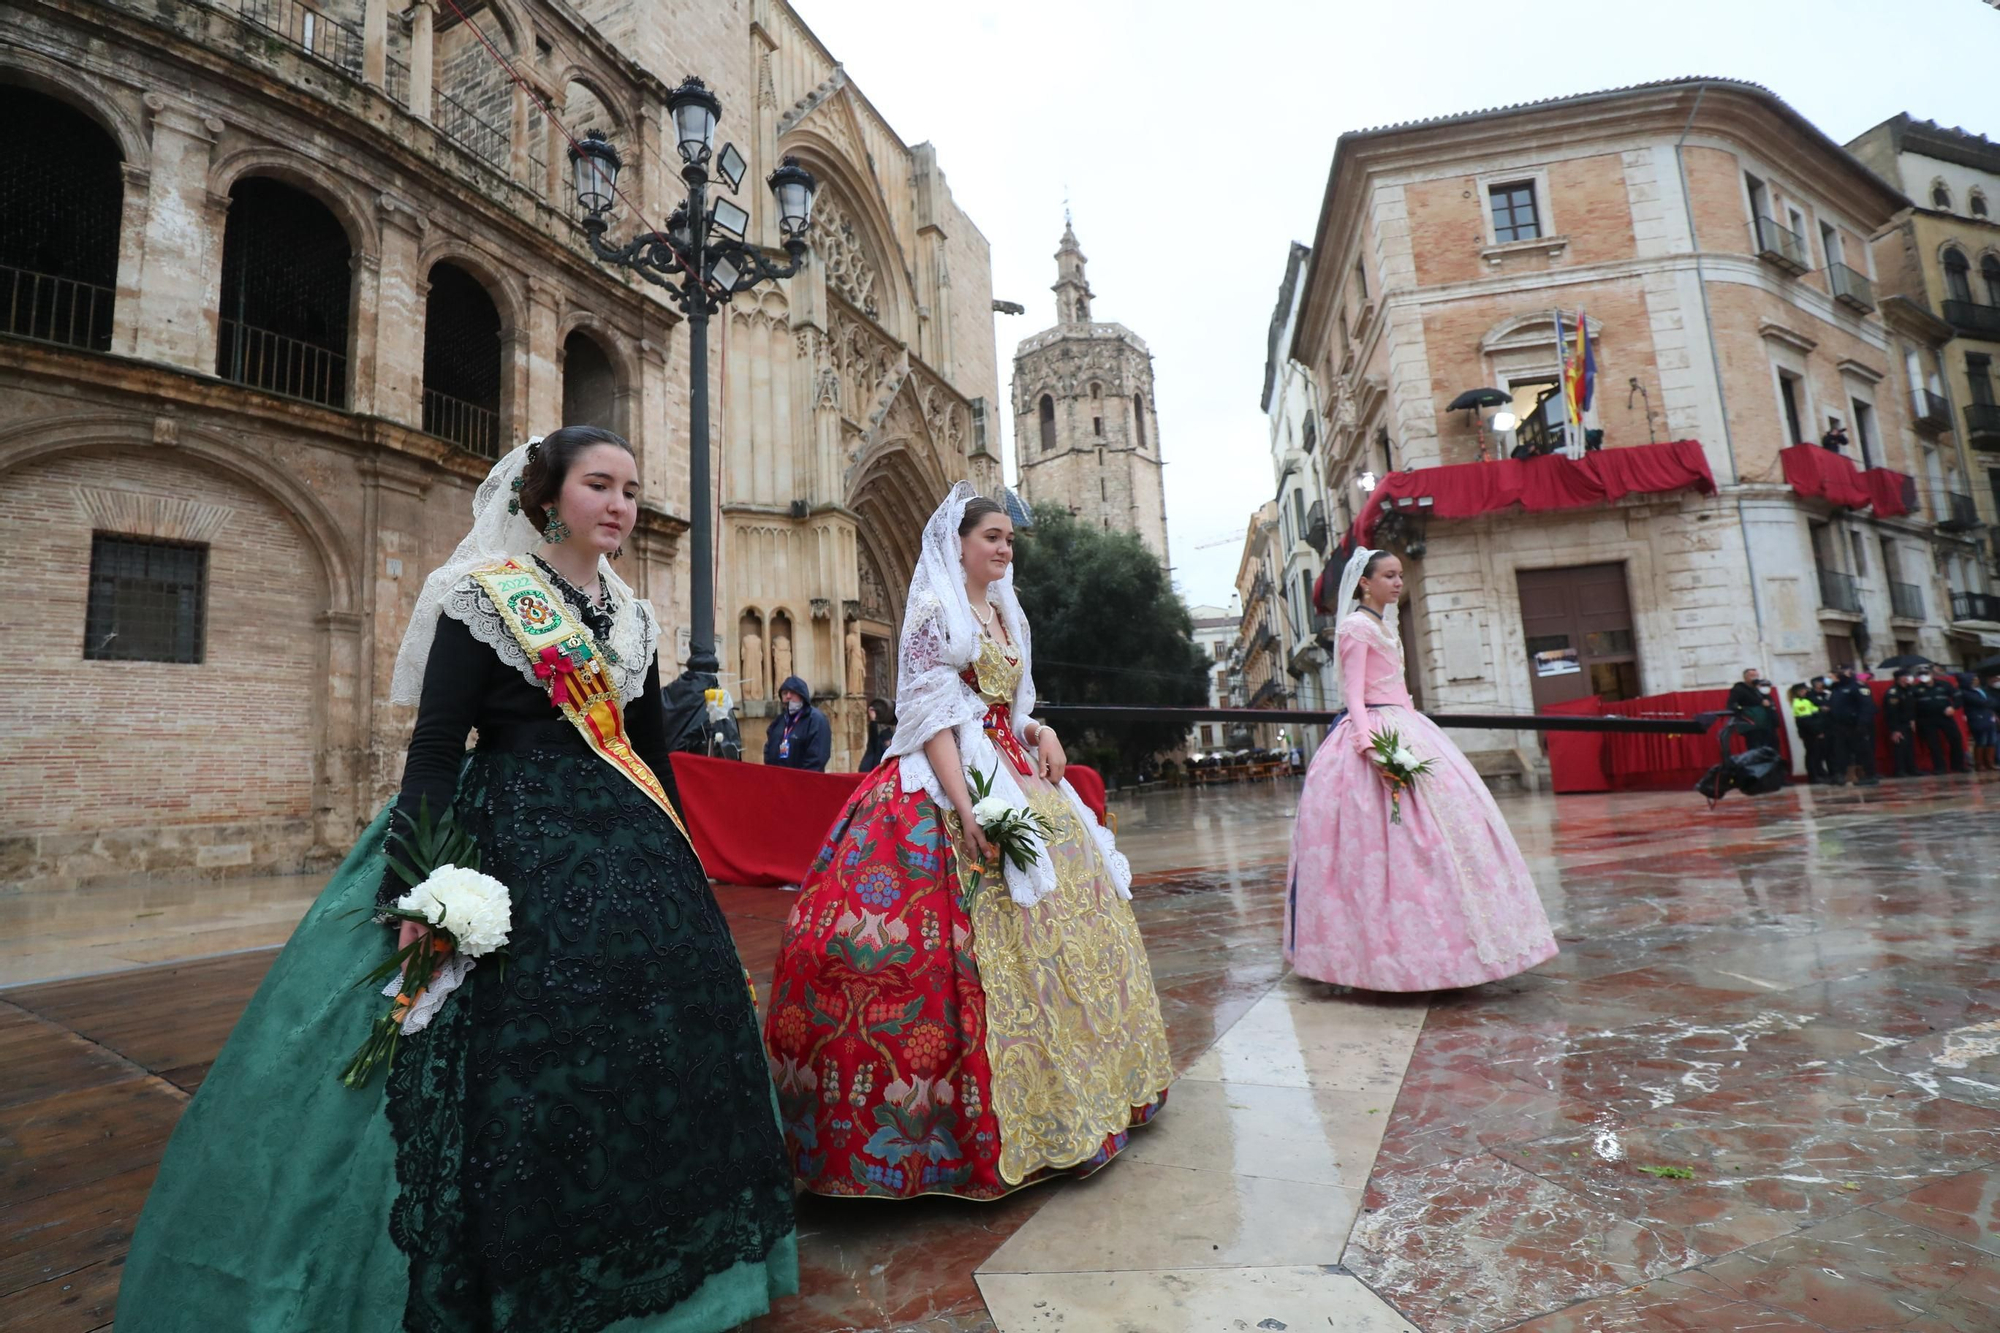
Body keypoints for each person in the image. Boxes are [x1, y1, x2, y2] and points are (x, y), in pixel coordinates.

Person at [115, 428, 798, 1333]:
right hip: (507, 843)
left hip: (632, 856)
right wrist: (417, 885)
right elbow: (437, 745)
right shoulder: (482, 598)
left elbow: (647, 755)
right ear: (548, 496)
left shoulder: (634, 618)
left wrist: (685, 861)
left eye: (632, 489)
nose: (622, 505)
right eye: (601, 485)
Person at [762, 484, 1172, 1200]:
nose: (1004, 547)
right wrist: (967, 808)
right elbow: (934, 719)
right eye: (991, 536)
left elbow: (1011, 707)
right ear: (958, 543)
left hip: (1014, 770)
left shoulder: (1006, 612)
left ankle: (1078, 1091)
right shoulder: (934, 611)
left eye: (1008, 539)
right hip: (949, 778)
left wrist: (1041, 730)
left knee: (1065, 929)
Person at [1284, 547, 1558, 991]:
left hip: (1405, 724)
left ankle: (1457, 949)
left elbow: (1398, 689)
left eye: (1399, 575)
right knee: (1386, 845)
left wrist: (1409, 725)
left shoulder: (1383, 625)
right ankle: (1385, 960)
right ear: (1364, 583)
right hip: (1375, 727)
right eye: (1388, 576)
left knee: (1448, 836)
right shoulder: (1355, 627)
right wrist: (1368, 745)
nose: (1397, 583)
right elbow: (1353, 694)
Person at [1825, 664, 1880, 787]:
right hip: (1840, 727)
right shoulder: (1835, 690)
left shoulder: (1856, 687)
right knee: (1840, 752)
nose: (1829, 679)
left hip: (1855, 725)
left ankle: (1869, 775)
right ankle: (1843, 775)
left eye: (1831, 676)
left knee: (1863, 751)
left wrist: (1862, 723)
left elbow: (1867, 707)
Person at [764, 674, 831, 771]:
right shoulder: (780, 720)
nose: (788, 696)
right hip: (779, 781)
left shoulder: (816, 720)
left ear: (802, 695)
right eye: (785, 693)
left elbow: (817, 757)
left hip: (804, 781)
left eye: (792, 692)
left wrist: (800, 779)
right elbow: (769, 748)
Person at [1912, 666, 1967, 774]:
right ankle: (1939, 767)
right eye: (1921, 674)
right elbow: (1910, 706)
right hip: (1926, 719)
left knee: (1956, 739)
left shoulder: (1944, 685)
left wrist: (1953, 707)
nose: (1924, 676)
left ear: (1931, 674)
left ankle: (1958, 765)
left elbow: (1958, 697)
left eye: (1926, 673)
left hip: (1945, 716)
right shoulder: (1915, 689)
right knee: (1933, 744)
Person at [1726, 668, 1780, 752]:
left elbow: (1770, 701)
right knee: (1756, 749)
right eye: (1752, 676)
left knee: (1772, 748)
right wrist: (1746, 711)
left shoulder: (1761, 689)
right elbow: (1731, 705)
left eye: (1756, 675)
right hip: (1752, 726)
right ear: (1745, 678)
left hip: (1767, 724)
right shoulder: (1739, 689)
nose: (1755, 678)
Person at [1789, 683, 1830, 784]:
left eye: (1805, 690)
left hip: (1814, 729)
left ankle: (1820, 772)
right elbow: (1806, 720)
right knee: (1812, 754)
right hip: (1809, 732)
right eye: (1802, 691)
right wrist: (1817, 731)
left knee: (1819, 753)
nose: (1804, 692)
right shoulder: (1798, 702)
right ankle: (1813, 776)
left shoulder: (1808, 700)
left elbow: (1816, 712)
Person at [1884, 668, 1919, 778]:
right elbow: (1891, 712)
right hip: (1898, 724)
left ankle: (1912, 769)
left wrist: (1912, 719)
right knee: (1900, 748)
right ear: (1899, 679)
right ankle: (1900, 770)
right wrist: (1895, 729)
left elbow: (1911, 707)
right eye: (1905, 676)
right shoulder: (1893, 693)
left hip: (1908, 722)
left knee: (1910, 747)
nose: (1908, 678)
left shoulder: (1909, 690)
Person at [1968, 673, 2000, 774]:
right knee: (1982, 740)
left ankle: (1989, 762)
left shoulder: (1982, 691)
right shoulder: (1970, 692)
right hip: (1980, 718)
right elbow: (1983, 702)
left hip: (1989, 717)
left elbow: (1992, 702)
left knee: (1991, 740)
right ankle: (1980, 763)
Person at [859, 695, 896, 772]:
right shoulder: (877, 745)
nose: (888, 743)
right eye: (888, 741)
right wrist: (873, 720)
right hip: (871, 772)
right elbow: (873, 738)